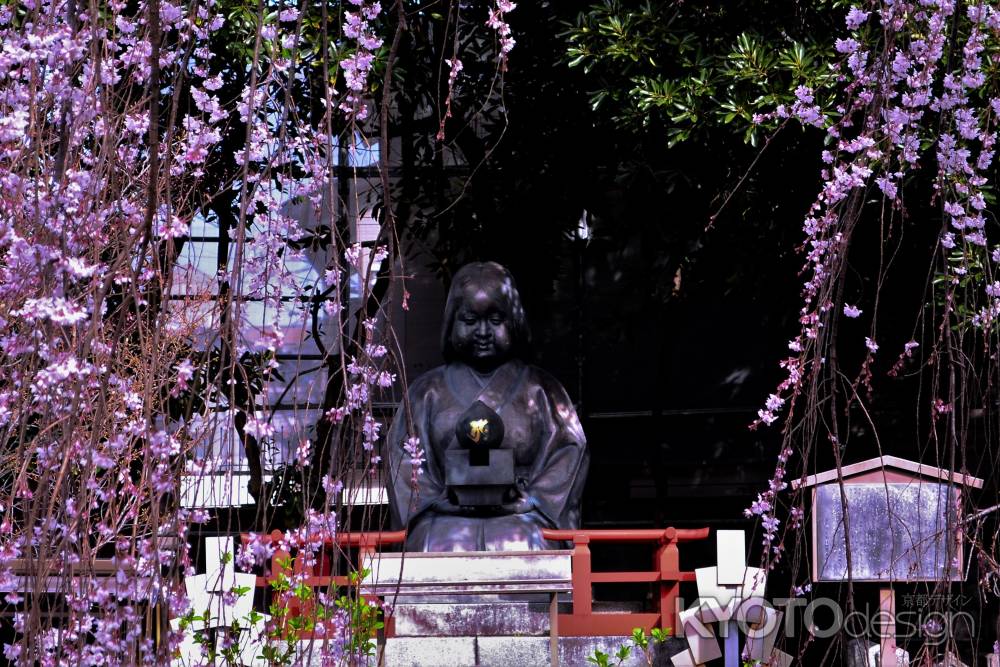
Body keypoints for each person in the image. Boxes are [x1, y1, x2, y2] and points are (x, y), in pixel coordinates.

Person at [385, 262, 589, 551]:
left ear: (514, 321)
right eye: (469, 320)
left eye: (495, 320)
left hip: (524, 517)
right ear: (452, 322)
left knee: (524, 544)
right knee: (435, 544)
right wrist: (432, 499)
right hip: (443, 517)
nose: (483, 331)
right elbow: (401, 457)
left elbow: (570, 450)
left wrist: (532, 499)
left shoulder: (542, 390)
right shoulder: (426, 392)